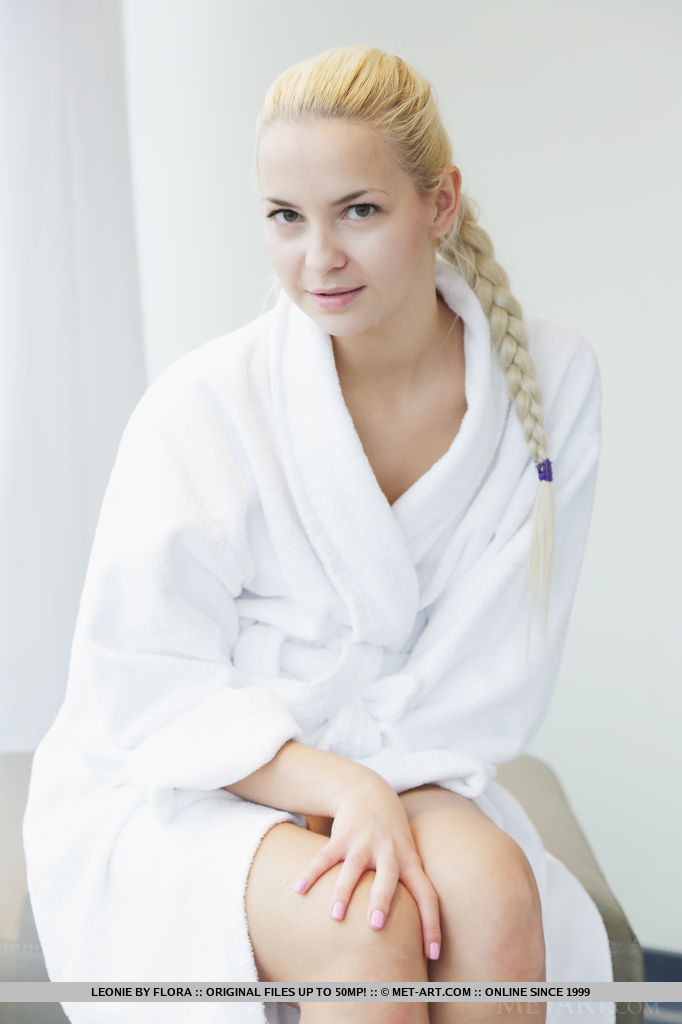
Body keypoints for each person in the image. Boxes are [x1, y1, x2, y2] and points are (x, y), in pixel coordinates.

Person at [23, 44, 612, 1024]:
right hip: (193, 772)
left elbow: (495, 664)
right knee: (363, 933)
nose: (318, 258)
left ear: (440, 202)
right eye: (285, 217)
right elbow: (143, 683)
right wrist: (332, 785)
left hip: (411, 753)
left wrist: (371, 782)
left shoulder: (550, 387)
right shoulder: (205, 403)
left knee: (496, 899)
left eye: (360, 211)